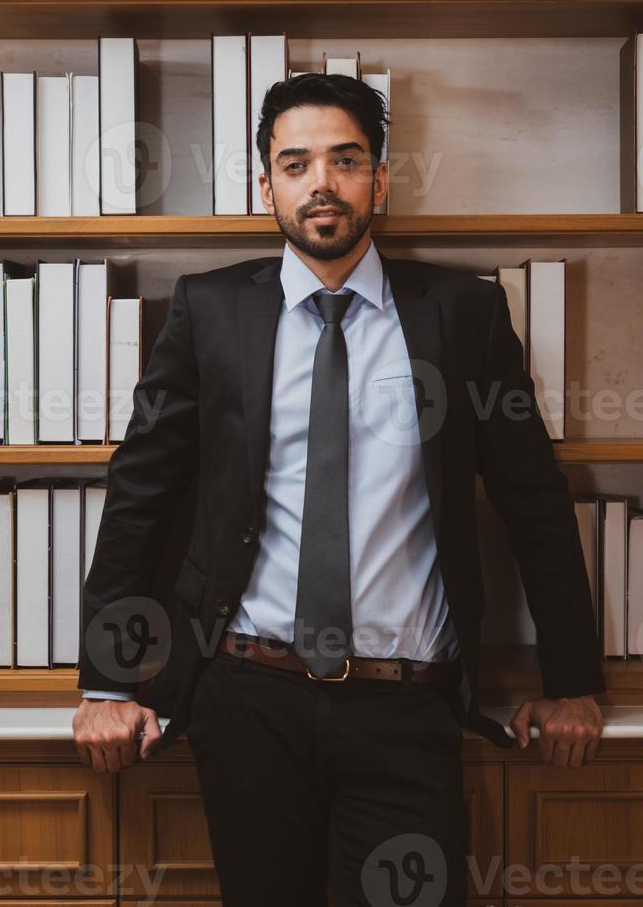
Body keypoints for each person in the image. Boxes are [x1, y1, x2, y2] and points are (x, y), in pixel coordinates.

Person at [73, 73, 605, 906]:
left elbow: (533, 498)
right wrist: (106, 684)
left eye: (345, 159)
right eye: (296, 163)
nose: (321, 181)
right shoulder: (209, 311)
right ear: (267, 187)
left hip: (408, 705)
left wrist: (573, 681)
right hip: (246, 697)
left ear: (380, 179)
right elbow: (140, 494)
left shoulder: (462, 313)